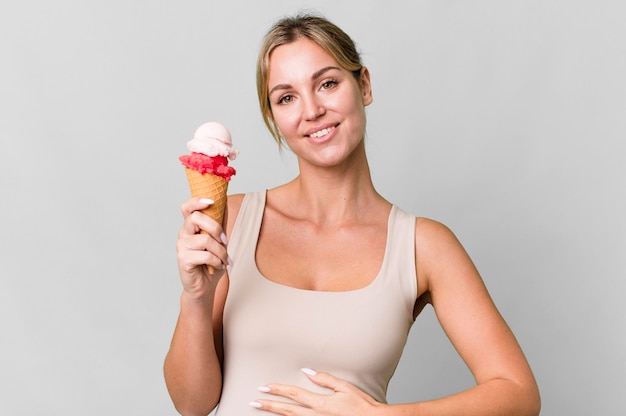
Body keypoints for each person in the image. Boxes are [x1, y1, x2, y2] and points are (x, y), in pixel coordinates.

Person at [164, 12, 541, 416]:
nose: (311, 111)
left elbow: (518, 394)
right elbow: (192, 405)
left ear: (363, 85)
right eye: (286, 97)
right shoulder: (233, 220)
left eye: (327, 83)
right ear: (274, 118)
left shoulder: (423, 246)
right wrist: (197, 298)